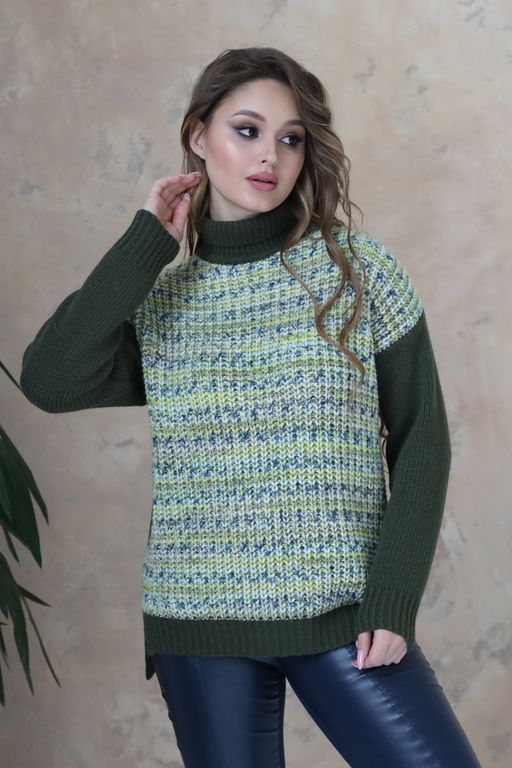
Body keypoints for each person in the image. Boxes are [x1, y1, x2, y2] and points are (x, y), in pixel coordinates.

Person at [20, 46, 482, 768]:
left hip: (343, 615)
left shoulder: (358, 272)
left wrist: (393, 600)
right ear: (198, 137)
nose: (270, 155)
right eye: (247, 130)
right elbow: (49, 380)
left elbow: (422, 438)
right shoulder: (162, 301)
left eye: (291, 138)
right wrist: (146, 243)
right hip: (199, 624)